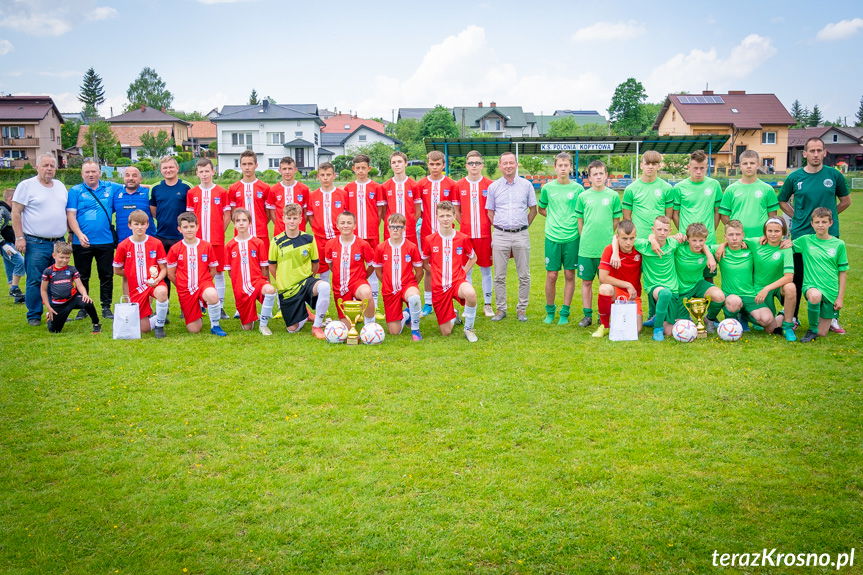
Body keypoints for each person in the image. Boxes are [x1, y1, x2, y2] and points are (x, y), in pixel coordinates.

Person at [779, 137, 852, 333]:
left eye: (819, 150)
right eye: (812, 151)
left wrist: (828, 219)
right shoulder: (795, 177)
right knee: (797, 277)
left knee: (829, 276)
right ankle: (792, 317)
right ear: (805, 154)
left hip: (829, 237)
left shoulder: (834, 176)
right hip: (802, 234)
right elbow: (782, 201)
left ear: (825, 152)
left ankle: (832, 317)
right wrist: (800, 216)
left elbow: (846, 201)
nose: (816, 154)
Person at [12, 154, 68, 325]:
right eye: (45, 165)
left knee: (58, 278)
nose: (49, 168)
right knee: (36, 279)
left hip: (58, 241)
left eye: (52, 165)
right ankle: (34, 315)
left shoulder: (59, 186)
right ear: (37, 167)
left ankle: (56, 312)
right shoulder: (26, 186)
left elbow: (65, 211)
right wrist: (19, 237)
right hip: (36, 242)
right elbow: (16, 212)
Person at [66, 158, 120, 320]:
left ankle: (106, 307)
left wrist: (150, 187)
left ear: (99, 172)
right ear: (82, 174)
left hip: (105, 241)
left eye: (94, 171)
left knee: (106, 275)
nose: (91, 174)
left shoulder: (110, 187)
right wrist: (78, 234)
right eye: (87, 172)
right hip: (81, 242)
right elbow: (71, 215)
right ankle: (84, 306)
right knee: (82, 276)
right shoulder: (75, 191)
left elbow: (132, 186)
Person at [486, 151, 537, 322]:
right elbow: (490, 212)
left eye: (511, 162)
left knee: (524, 275)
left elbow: (533, 210)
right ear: (500, 165)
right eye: (505, 163)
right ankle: (501, 309)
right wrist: (501, 228)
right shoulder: (493, 187)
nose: (508, 166)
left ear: (516, 164)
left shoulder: (526, 185)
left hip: (521, 234)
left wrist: (522, 226)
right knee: (499, 275)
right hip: (500, 234)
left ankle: (521, 309)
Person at [268, 203, 329, 338]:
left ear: (301, 219)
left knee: (324, 286)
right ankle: (305, 314)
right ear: (283, 219)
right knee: (292, 329)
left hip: (306, 282)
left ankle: (317, 326)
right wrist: (283, 280)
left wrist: (309, 278)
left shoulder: (309, 239)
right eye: (289, 218)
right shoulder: (276, 242)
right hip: (287, 289)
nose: (292, 221)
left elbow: (315, 264)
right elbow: (272, 266)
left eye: (295, 218)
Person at [421, 201, 479, 342]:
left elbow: (473, 257)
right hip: (439, 287)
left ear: (454, 216)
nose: (445, 219)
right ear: (437, 217)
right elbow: (424, 262)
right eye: (442, 216)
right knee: (445, 332)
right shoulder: (429, 240)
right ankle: (454, 315)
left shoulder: (462, 238)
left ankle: (469, 328)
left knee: (470, 294)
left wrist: (463, 271)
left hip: (457, 282)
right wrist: (434, 272)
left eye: (448, 215)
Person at [574, 160, 622, 327]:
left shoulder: (613, 196)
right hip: (586, 248)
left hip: (606, 249)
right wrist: (585, 236)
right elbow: (580, 222)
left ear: (606, 175)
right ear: (589, 177)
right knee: (586, 282)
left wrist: (607, 237)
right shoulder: (583, 196)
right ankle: (587, 315)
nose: (599, 176)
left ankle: (606, 316)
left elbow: (616, 221)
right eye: (595, 174)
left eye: (601, 173)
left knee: (606, 284)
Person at [538, 152, 583, 325]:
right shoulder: (548, 188)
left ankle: (565, 312)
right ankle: (550, 311)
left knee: (569, 274)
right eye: (560, 165)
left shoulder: (578, 189)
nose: (563, 168)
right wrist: (553, 219)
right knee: (551, 275)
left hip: (572, 237)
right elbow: (542, 208)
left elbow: (581, 213)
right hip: (552, 237)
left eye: (566, 165)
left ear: (571, 167)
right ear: (555, 167)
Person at [165, 212, 226, 336]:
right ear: (179, 229)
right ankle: (197, 309)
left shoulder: (206, 246)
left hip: (203, 284)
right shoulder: (175, 249)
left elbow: (213, 269)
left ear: (197, 227)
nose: (189, 230)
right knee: (194, 329)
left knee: (212, 294)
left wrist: (206, 283)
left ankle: (215, 325)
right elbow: (171, 273)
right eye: (186, 227)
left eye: (192, 226)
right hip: (185, 289)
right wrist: (182, 285)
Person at [621, 216, 681, 341]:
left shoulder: (673, 244)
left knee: (670, 332)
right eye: (659, 229)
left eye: (665, 230)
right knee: (664, 293)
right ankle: (657, 328)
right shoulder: (643, 245)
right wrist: (652, 240)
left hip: (673, 288)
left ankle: (655, 318)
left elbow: (693, 240)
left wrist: (681, 236)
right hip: (654, 287)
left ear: (670, 231)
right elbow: (617, 238)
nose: (662, 233)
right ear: (653, 229)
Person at [793, 208, 848, 343]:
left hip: (830, 290)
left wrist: (840, 298)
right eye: (817, 222)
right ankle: (811, 329)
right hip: (811, 286)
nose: (820, 225)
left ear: (831, 223)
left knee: (822, 333)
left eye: (824, 222)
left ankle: (821, 320)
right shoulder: (805, 240)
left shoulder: (839, 244)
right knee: (815, 296)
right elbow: (786, 246)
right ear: (812, 224)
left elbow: (843, 272)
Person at [112, 210, 169, 338]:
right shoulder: (123, 246)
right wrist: (133, 273)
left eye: (143, 224)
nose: (139, 227)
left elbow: (163, 268)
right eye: (136, 224)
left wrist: (157, 279)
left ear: (148, 225)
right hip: (136, 288)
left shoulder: (156, 243)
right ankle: (159, 316)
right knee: (144, 329)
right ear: (129, 225)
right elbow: (117, 270)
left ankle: (160, 325)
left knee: (162, 292)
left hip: (153, 283)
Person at [187, 158, 231, 318]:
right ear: (197, 173)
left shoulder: (221, 192)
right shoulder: (192, 193)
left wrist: (220, 230)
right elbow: (190, 216)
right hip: (198, 242)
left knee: (218, 272)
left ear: (213, 172)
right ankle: (200, 304)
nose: (204, 174)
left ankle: (220, 306)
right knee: (199, 272)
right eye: (201, 171)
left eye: (207, 171)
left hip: (216, 240)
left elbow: (227, 214)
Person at [416, 150, 458, 315]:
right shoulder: (420, 185)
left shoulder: (451, 184)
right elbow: (418, 212)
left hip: (448, 234)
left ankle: (449, 302)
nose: (434, 167)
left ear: (443, 165)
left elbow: (455, 211)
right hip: (427, 234)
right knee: (428, 269)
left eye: (438, 164)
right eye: (432, 164)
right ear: (428, 165)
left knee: (448, 269)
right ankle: (428, 303)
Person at [714, 219, 775, 331]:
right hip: (731, 296)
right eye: (731, 235)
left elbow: (772, 240)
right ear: (725, 236)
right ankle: (730, 322)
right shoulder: (719, 250)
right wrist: (714, 253)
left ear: (743, 235)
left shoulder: (751, 248)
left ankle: (745, 315)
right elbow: (700, 246)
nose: (734, 238)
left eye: (738, 234)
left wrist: (787, 242)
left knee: (768, 321)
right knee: (734, 302)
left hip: (750, 295)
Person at [454, 150, 495, 318]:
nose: (474, 166)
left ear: (482, 165)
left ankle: (487, 304)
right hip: (466, 236)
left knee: (486, 270)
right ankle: (469, 304)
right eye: (471, 163)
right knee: (466, 270)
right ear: (466, 165)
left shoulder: (490, 185)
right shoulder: (459, 185)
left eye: (477, 163)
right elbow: (456, 210)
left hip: (485, 235)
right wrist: (464, 225)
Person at [224, 208, 277, 335]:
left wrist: (264, 282)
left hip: (257, 282)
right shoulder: (230, 245)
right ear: (234, 223)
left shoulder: (258, 243)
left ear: (250, 223)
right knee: (247, 327)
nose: (241, 223)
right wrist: (239, 284)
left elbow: (264, 268)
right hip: (240, 289)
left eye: (244, 220)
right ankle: (252, 315)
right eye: (238, 221)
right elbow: (230, 272)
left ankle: (263, 324)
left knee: (270, 290)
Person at [373, 212, 424, 340]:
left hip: (407, 285)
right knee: (394, 332)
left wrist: (412, 285)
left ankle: (415, 330)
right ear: (388, 228)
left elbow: (419, 271)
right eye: (392, 227)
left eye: (399, 227)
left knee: (414, 298)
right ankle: (407, 315)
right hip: (389, 290)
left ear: (404, 228)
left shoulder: (411, 247)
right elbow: (378, 270)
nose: (395, 230)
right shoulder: (380, 248)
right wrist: (386, 282)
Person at [324, 211, 377, 328]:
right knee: (346, 327)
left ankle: (370, 325)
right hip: (340, 286)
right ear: (337, 225)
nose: (346, 225)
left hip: (357, 282)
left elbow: (371, 265)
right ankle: (353, 316)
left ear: (354, 225)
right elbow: (331, 265)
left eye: (349, 223)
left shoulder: (363, 244)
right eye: (342, 223)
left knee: (366, 293)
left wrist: (362, 277)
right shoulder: (330, 244)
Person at [149, 155, 191, 301]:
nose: (168, 170)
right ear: (161, 170)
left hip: (181, 238)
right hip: (161, 237)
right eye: (165, 168)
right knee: (163, 273)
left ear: (177, 168)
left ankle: (186, 305)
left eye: (171, 167)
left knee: (183, 272)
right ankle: (163, 308)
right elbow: (154, 210)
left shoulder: (186, 186)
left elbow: (191, 212)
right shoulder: (155, 188)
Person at [345, 154, 386, 300]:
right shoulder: (348, 188)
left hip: (371, 234)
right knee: (354, 267)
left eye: (363, 168)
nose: (361, 171)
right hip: (354, 236)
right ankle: (355, 299)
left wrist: (374, 224)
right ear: (353, 169)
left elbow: (380, 211)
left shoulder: (376, 187)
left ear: (369, 168)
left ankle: (373, 302)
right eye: (358, 168)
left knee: (373, 266)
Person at [750, 217, 797, 341]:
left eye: (777, 231)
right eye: (769, 231)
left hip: (777, 287)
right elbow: (735, 239)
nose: (773, 234)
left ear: (783, 233)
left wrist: (768, 288)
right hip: (758, 288)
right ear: (765, 232)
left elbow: (788, 277)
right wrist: (723, 245)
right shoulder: (756, 243)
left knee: (791, 287)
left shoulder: (785, 248)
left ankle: (788, 326)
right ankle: (782, 314)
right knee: (768, 328)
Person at [593, 220, 641, 338]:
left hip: (633, 296)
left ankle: (616, 320)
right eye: (624, 238)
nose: (628, 242)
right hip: (616, 292)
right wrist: (628, 284)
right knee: (605, 288)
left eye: (631, 238)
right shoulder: (609, 250)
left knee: (636, 329)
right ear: (617, 237)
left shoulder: (640, 248)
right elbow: (603, 278)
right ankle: (604, 325)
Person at [40, 241, 100, 334]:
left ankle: (96, 324)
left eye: (67, 258)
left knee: (88, 302)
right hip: (58, 304)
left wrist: (84, 294)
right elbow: (43, 290)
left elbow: (79, 285)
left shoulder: (72, 269)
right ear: (54, 255)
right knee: (55, 331)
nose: (64, 260)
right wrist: (48, 307)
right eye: (62, 257)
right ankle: (49, 319)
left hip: (73, 299)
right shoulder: (48, 272)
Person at [673, 223, 724, 332]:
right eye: (694, 240)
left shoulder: (708, 249)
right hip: (681, 288)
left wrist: (711, 255)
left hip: (698, 284)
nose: (697, 244)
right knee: (682, 326)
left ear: (705, 240)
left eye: (701, 241)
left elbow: (730, 242)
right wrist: (674, 236)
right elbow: (662, 240)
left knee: (719, 296)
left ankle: (709, 318)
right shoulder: (679, 248)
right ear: (688, 239)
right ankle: (688, 317)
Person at [719, 149, 778, 239]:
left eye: (752, 163)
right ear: (740, 166)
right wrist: (735, 232)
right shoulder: (730, 189)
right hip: (738, 240)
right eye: (745, 163)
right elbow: (724, 216)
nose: (749, 166)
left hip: (761, 239)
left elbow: (772, 216)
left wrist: (767, 234)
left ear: (758, 165)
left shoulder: (767, 189)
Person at [306, 161, 347, 283]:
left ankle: (345, 295)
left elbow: (347, 216)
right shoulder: (313, 195)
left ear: (334, 175)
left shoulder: (343, 194)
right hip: (320, 239)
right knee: (322, 269)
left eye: (328, 174)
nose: (325, 178)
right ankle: (323, 298)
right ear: (318, 176)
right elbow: (310, 216)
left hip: (339, 238)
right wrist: (318, 228)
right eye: (322, 175)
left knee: (341, 268)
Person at [672, 149, 723, 243]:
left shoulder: (715, 185)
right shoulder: (679, 187)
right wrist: (685, 232)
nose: (699, 172)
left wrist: (710, 232)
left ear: (707, 167)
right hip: (686, 240)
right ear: (689, 167)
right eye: (695, 168)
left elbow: (717, 212)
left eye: (702, 168)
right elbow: (675, 214)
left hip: (708, 240)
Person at [622, 150, 673, 239]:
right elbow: (627, 218)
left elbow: (668, 217)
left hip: (659, 239)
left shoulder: (667, 188)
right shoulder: (630, 189)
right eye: (647, 164)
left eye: (654, 164)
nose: (650, 167)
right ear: (641, 165)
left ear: (659, 166)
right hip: (639, 239)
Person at [229, 150, 271, 244]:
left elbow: (268, 214)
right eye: (244, 164)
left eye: (250, 164)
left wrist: (260, 223)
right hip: (240, 235)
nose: (247, 167)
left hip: (261, 234)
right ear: (240, 165)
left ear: (256, 165)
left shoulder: (265, 188)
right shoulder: (233, 188)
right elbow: (233, 214)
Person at [381, 151, 422, 247]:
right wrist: (391, 223)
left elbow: (418, 211)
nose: (397, 165)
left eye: (399, 162)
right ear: (390, 165)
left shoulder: (414, 185)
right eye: (393, 162)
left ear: (405, 163)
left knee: (409, 258)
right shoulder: (385, 186)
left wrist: (410, 222)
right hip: (391, 230)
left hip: (409, 230)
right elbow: (383, 211)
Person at [266, 156, 309, 236]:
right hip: (280, 232)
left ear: (295, 170)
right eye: (284, 169)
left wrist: (300, 223)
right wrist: (280, 224)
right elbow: (272, 211)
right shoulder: (273, 189)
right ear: (280, 170)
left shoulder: (304, 189)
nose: (287, 172)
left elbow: (306, 211)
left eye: (290, 168)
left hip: (300, 232)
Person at [113, 167, 154, 242]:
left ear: (140, 179)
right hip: (123, 241)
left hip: (147, 241)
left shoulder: (148, 193)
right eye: (127, 175)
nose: (130, 178)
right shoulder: (116, 194)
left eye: (134, 176)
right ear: (123, 178)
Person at [1, 188, 25, 303]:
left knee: (10, 266)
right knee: (21, 261)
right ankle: (14, 288)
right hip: (5, 244)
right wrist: (4, 244)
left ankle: (17, 297)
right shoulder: (2, 210)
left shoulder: (9, 210)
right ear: (11, 199)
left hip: (9, 243)